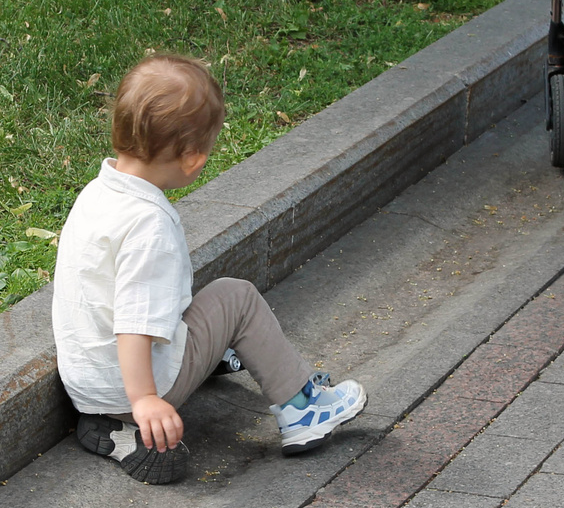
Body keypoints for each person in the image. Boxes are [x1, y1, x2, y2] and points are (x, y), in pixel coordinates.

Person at [51, 54, 366, 485]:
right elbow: (133, 323)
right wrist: (145, 398)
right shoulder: (150, 225)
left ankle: (117, 427)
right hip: (137, 386)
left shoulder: (97, 193)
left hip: (87, 386)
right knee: (234, 297)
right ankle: (303, 409)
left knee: (183, 302)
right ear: (192, 159)